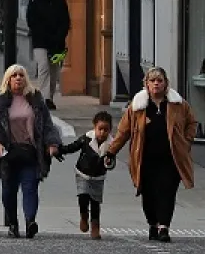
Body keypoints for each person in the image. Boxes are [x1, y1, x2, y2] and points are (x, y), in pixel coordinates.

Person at [103, 67, 197, 242]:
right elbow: (123, 132)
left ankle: (164, 227)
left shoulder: (178, 104)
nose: (156, 84)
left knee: (167, 192)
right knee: (149, 194)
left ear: (165, 83)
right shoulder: (137, 107)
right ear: (146, 84)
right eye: (152, 80)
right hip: (145, 159)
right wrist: (111, 151)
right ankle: (153, 223)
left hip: (171, 158)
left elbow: (192, 122)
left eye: (159, 80)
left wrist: (187, 141)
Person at [0, 64, 62, 238]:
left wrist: (52, 144)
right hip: (8, 154)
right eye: (14, 75)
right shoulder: (0, 100)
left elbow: (47, 124)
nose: (18, 78)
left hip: (30, 152)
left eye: (21, 75)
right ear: (8, 80)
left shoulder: (35, 99)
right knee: (8, 192)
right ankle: (12, 223)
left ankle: (30, 221)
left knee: (30, 187)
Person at [60, 110, 115, 239]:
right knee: (83, 196)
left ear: (110, 130)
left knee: (95, 202)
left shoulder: (112, 145)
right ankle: (84, 215)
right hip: (82, 173)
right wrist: (60, 150)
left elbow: (112, 162)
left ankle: (95, 226)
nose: (102, 133)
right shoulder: (86, 138)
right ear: (94, 127)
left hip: (98, 176)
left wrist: (108, 162)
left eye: (105, 130)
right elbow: (73, 147)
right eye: (100, 129)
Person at [26, 0, 71, 110]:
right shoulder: (34, 0)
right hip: (40, 41)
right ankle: (44, 98)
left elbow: (65, 20)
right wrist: (41, 33)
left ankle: (49, 97)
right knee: (43, 67)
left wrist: (59, 36)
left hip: (57, 42)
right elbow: (31, 21)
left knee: (54, 70)